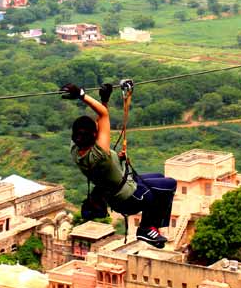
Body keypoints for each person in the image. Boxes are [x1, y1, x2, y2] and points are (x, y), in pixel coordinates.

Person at [61, 82, 177, 248]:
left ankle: (151, 226)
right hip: (128, 197)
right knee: (168, 185)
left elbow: (100, 119)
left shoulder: (76, 150)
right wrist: (82, 95)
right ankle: (147, 228)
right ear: (94, 135)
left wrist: (104, 100)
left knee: (158, 177)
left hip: (115, 191)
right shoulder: (100, 153)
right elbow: (103, 116)